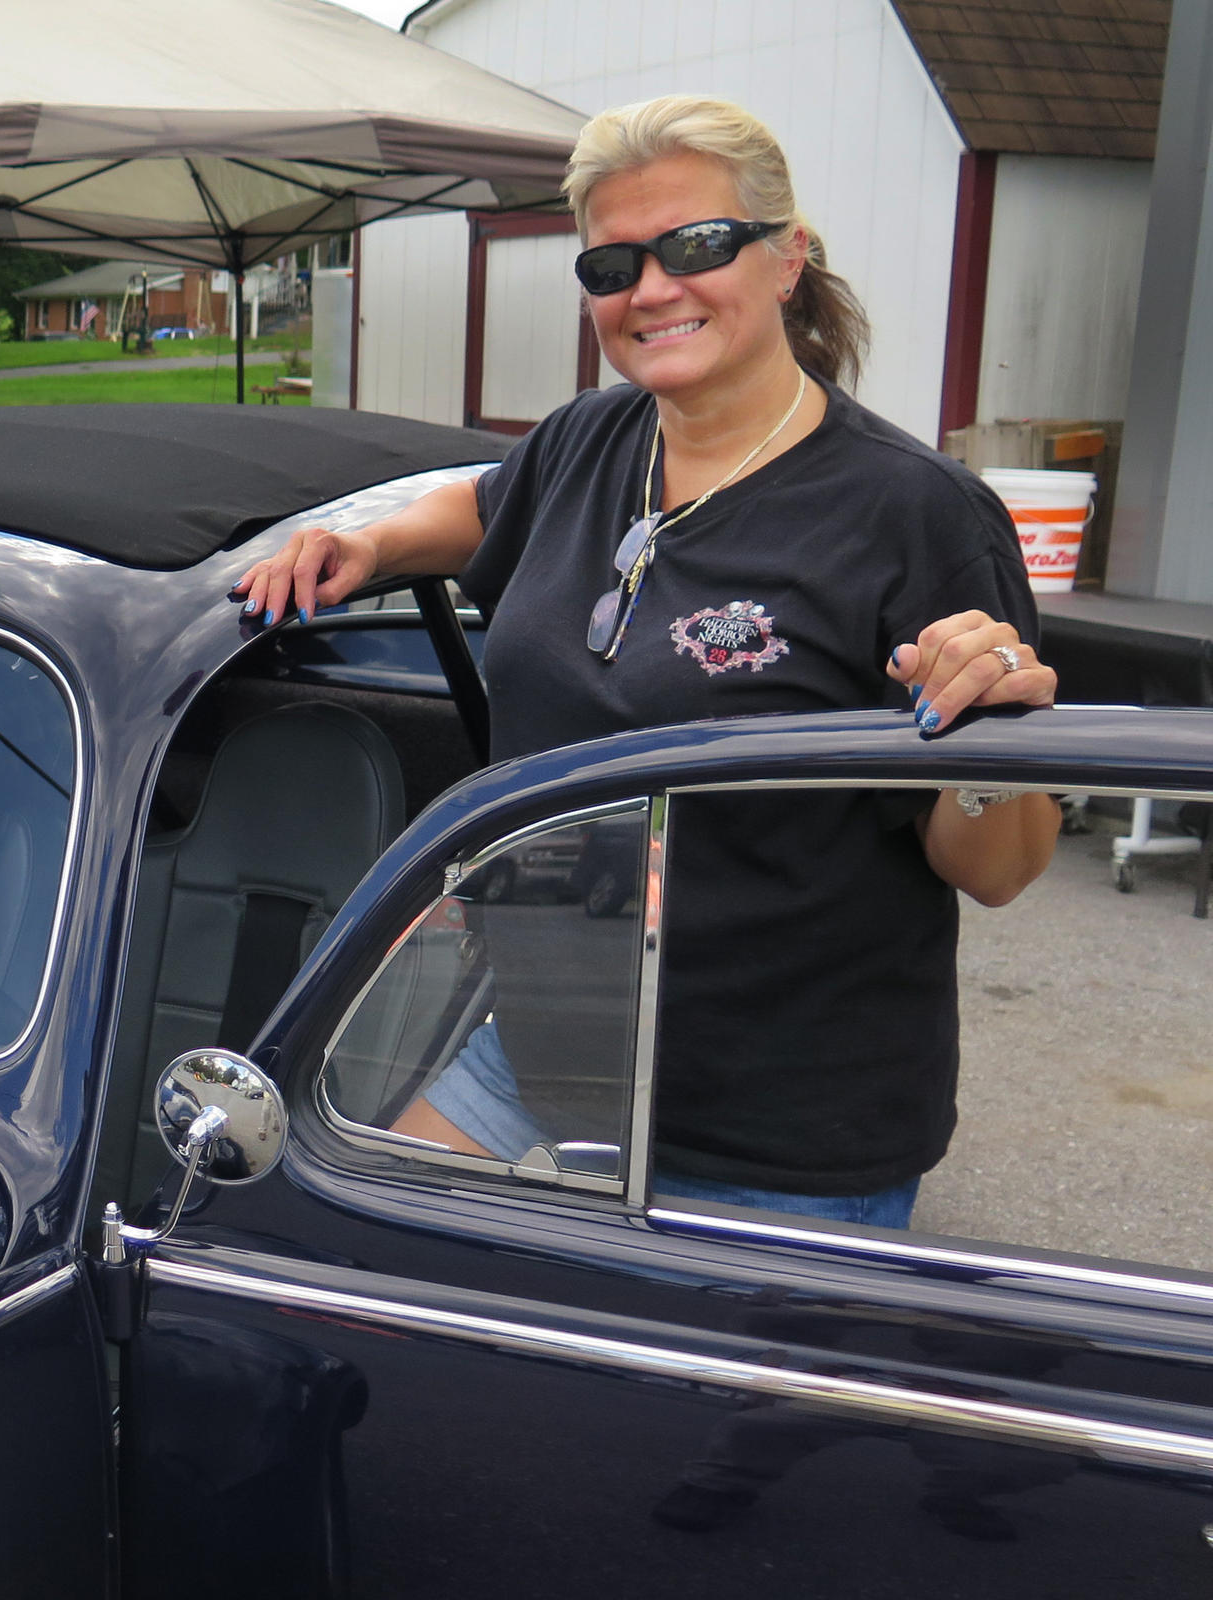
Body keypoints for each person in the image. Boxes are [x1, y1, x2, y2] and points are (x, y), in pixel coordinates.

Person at [233, 95, 1061, 1229]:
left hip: (772, 1136)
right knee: (349, 1274)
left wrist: (988, 734)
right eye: (615, 262)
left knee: (659, 1412)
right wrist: (364, 543)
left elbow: (1001, 867)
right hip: (536, 1061)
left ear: (787, 259)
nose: (654, 287)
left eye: (698, 245)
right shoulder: (589, 439)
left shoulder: (916, 514)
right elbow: (478, 507)